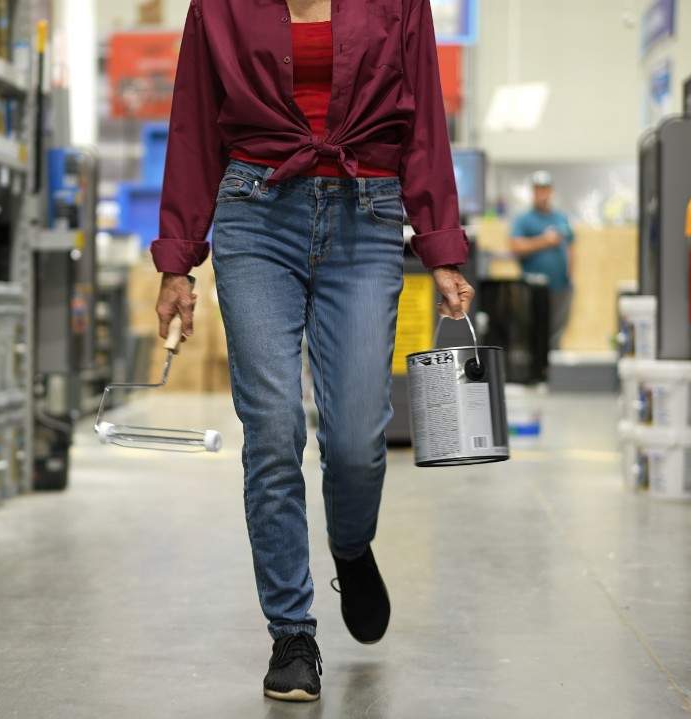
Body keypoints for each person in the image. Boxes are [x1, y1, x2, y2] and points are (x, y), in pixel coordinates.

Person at [150, 0, 474, 703]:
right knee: (272, 428)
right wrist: (178, 259)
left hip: (368, 212)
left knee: (358, 437)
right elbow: (193, 123)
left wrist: (440, 243)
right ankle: (292, 631)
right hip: (255, 210)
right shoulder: (220, 6)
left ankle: (351, 547)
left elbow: (424, 123)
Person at [510, 171, 575, 350]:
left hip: (561, 286)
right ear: (533, 192)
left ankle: (553, 369)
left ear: (551, 191)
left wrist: (570, 274)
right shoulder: (524, 219)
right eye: (538, 190)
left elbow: (570, 245)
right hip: (534, 288)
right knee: (535, 330)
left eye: (545, 190)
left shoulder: (560, 218)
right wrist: (543, 241)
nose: (542, 194)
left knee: (557, 331)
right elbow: (516, 246)